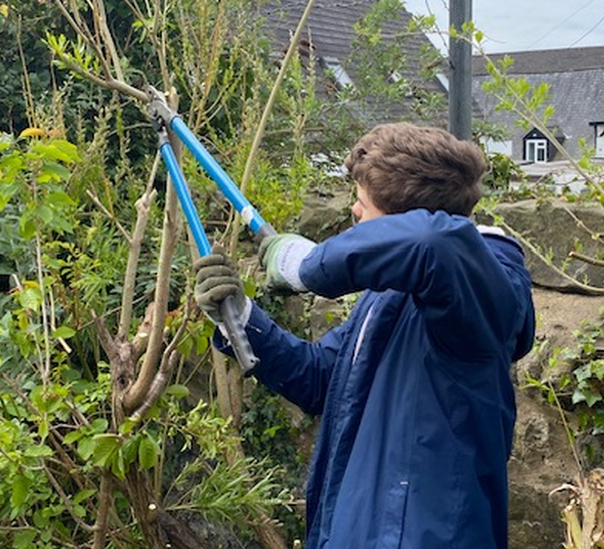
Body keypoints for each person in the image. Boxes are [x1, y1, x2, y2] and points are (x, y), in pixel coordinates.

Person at [193, 122, 535, 549]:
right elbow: (321, 379)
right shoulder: (390, 296)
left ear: (400, 223)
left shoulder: (481, 293)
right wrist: (239, 317)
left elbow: (434, 242)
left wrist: (306, 265)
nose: (355, 212)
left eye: (362, 203)